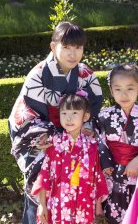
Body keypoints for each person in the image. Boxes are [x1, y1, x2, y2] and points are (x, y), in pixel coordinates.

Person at [8, 21, 103, 224]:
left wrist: (84, 128)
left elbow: (92, 110)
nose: (73, 54)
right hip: (40, 135)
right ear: (53, 47)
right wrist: (51, 138)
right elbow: (27, 114)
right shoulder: (38, 75)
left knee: (85, 174)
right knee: (41, 178)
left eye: (78, 48)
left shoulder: (86, 74)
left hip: (75, 134)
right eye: (66, 47)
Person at [98, 64, 138, 223]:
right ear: (111, 91)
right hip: (114, 174)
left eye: (130, 89)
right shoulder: (104, 115)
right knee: (115, 215)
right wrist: (107, 167)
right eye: (118, 89)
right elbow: (99, 144)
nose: (124, 94)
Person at [31, 92, 108, 224]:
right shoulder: (53, 144)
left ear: (85, 116)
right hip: (58, 203)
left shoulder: (92, 146)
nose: (69, 119)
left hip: (85, 203)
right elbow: (44, 175)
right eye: (64, 113)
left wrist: (99, 206)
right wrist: (42, 205)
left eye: (74, 113)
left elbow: (97, 177)